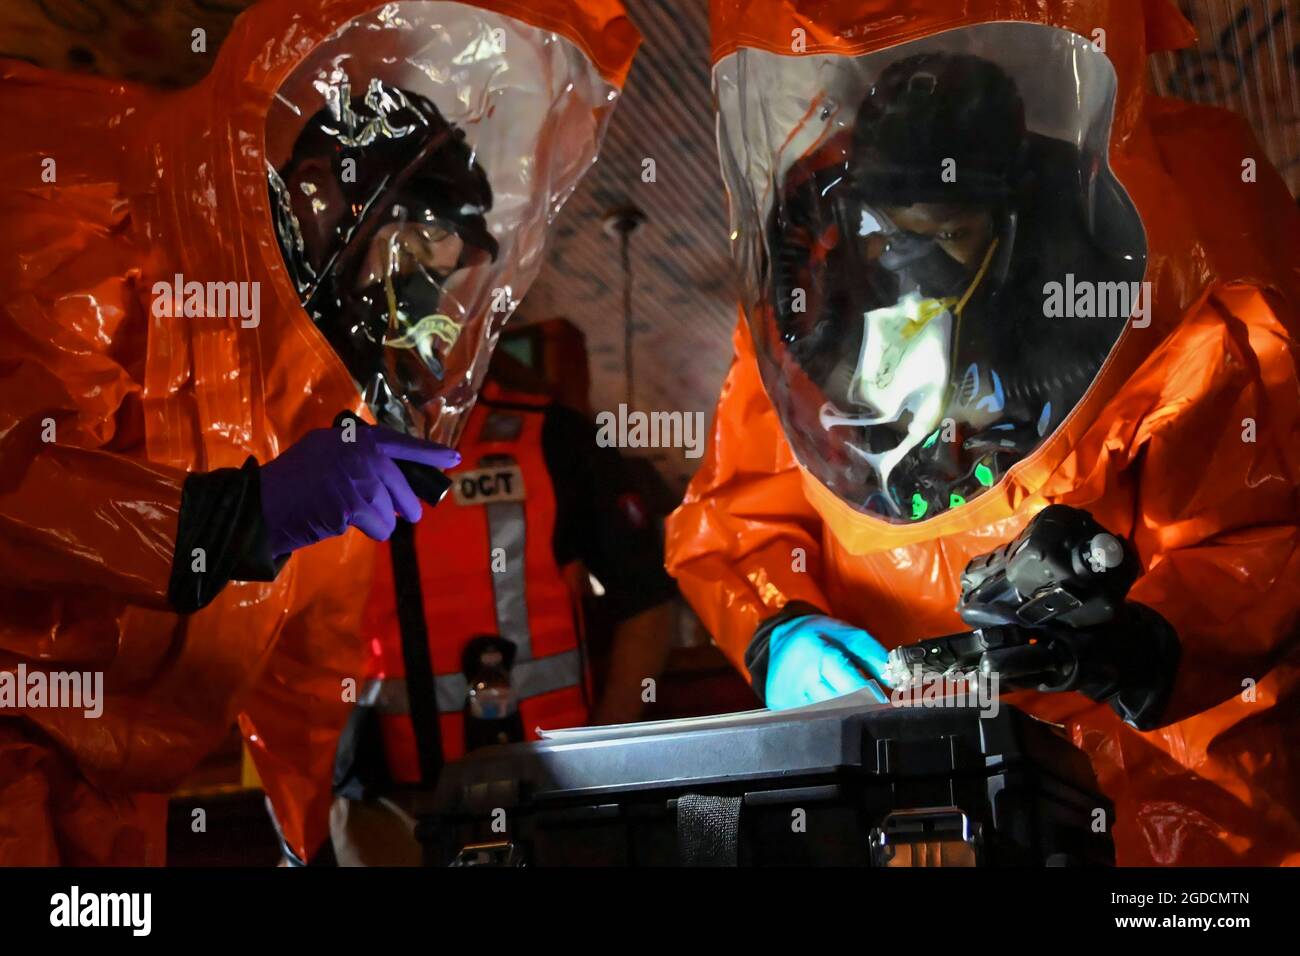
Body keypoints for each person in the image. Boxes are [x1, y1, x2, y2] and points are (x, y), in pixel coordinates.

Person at [0, 0, 638, 865]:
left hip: (99, 813)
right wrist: (228, 522)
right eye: (409, 261)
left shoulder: (306, 395)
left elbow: (308, 660)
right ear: (324, 188)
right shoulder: (87, 196)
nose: (409, 311)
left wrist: (317, 834)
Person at [668, 0, 1300, 864]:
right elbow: (737, 519)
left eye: (947, 233)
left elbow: (1253, 542)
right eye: (892, 234)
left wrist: (1139, 643)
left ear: (1011, 220)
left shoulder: (1156, 308)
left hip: (1140, 792)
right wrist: (779, 629)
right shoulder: (809, 323)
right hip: (900, 783)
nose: (912, 264)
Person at [330, 351, 677, 865]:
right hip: (382, 808)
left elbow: (646, 600)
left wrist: (599, 761)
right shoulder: (321, 452)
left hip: (551, 800)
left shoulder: (552, 437)